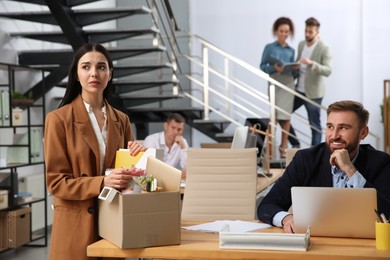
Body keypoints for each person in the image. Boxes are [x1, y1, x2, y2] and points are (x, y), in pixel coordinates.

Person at [44, 43, 146, 260]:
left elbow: (129, 180)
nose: (94, 73)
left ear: (110, 74)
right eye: (86, 67)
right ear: (76, 74)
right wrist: (103, 182)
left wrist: (140, 159)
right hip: (75, 227)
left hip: (113, 223)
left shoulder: (122, 120)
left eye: (101, 67)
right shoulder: (58, 120)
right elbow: (56, 183)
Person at [258, 100, 390, 233]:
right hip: (315, 242)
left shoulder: (381, 162)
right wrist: (286, 218)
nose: (334, 135)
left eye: (344, 128)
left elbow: (388, 213)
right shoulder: (305, 159)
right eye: (330, 127)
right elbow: (267, 206)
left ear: (363, 133)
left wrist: (351, 171)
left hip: (363, 244)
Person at [289, 17, 332, 147]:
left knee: (315, 126)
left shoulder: (324, 47)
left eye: (310, 32)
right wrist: (295, 67)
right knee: (282, 115)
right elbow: (298, 62)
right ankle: (296, 144)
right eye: (306, 31)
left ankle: (315, 157)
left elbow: (328, 70)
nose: (307, 34)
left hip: (314, 93)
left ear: (317, 32)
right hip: (299, 90)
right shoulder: (301, 44)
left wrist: (312, 63)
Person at [260, 17, 297, 158]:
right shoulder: (269, 47)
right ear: (276, 31)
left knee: (286, 118)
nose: (284, 34)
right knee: (274, 118)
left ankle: (283, 149)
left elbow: (294, 72)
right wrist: (273, 68)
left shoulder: (291, 50)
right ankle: (269, 150)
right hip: (275, 83)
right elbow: (262, 66)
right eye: (281, 31)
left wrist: (295, 68)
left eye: (287, 31)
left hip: (288, 84)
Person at [144, 113, 188, 177]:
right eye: (173, 128)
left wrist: (183, 147)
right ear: (165, 126)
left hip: (171, 179)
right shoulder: (151, 140)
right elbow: (149, 166)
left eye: (179, 129)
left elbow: (187, 168)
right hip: (153, 179)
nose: (176, 132)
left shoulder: (182, 142)